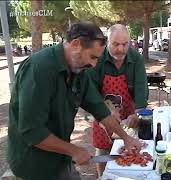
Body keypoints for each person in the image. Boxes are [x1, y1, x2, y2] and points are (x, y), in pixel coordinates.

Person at [7, 22, 143, 180]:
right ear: (76, 44)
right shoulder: (38, 70)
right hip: (34, 164)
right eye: (92, 57)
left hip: (61, 157)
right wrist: (73, 150)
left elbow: (99, 108)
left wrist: (126, 138)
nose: (93, 64)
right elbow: (32, 131)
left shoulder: (78, 70)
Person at [86, 24, 148, 177]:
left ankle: (128, 175)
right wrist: (105, 111)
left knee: (129, 149)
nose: (120, 49)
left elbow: (141, 88)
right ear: (107, 42)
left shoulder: (136, 58)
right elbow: (90, 90)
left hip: (128, 112)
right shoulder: (97, 58)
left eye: (125, 44)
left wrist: (137, 114)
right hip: (101, 110)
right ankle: (103, 176)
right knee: (103, 151)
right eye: (115, 44)